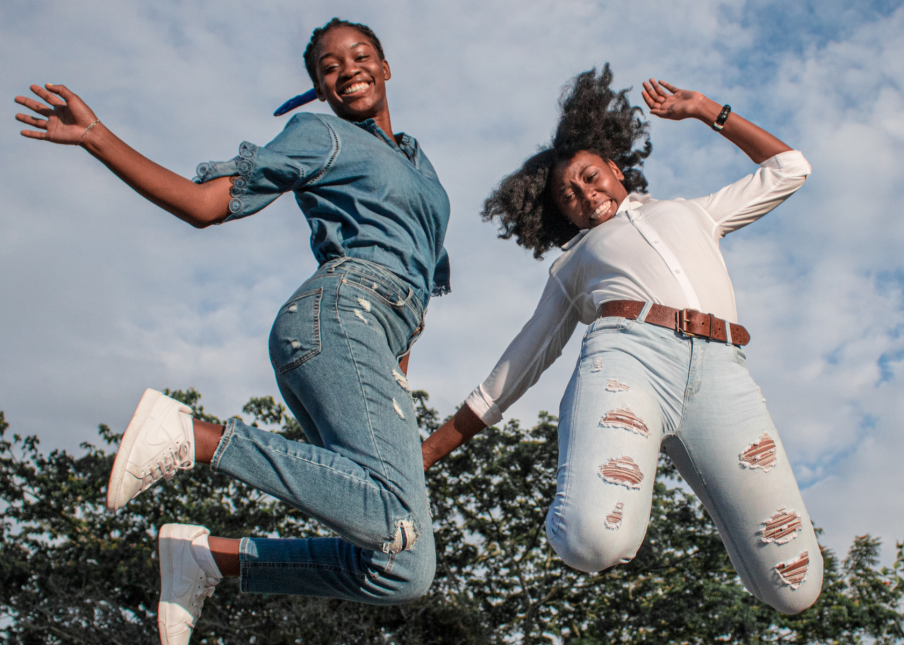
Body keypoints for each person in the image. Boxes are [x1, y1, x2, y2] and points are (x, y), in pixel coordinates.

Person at [15, 18, 448, 644]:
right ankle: (194, 436)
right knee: (390, 513)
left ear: (385, 67)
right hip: (339, 317)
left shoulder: (416, 161)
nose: (347, 69)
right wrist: (96, 137)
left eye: (360, 56)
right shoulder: (321, 133)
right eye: (329, 67)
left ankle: (208, 559)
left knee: (404, 567)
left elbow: (419, 281)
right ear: (319, 90)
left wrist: (399, 378)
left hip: (378, 343)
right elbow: (204, 205)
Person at [419, 65, 823, 614]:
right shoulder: (574, 263)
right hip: (629, 359)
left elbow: (789, 168)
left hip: (724, 375)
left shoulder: (693, 213)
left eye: (589, 176)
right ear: (561, 215)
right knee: (594, 540)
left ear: (613, 168)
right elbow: (513, 371)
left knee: (795, 588)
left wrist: (707, 110)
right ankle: (581, 488)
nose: (585, 193)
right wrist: (424, 455)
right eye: (568, 196)